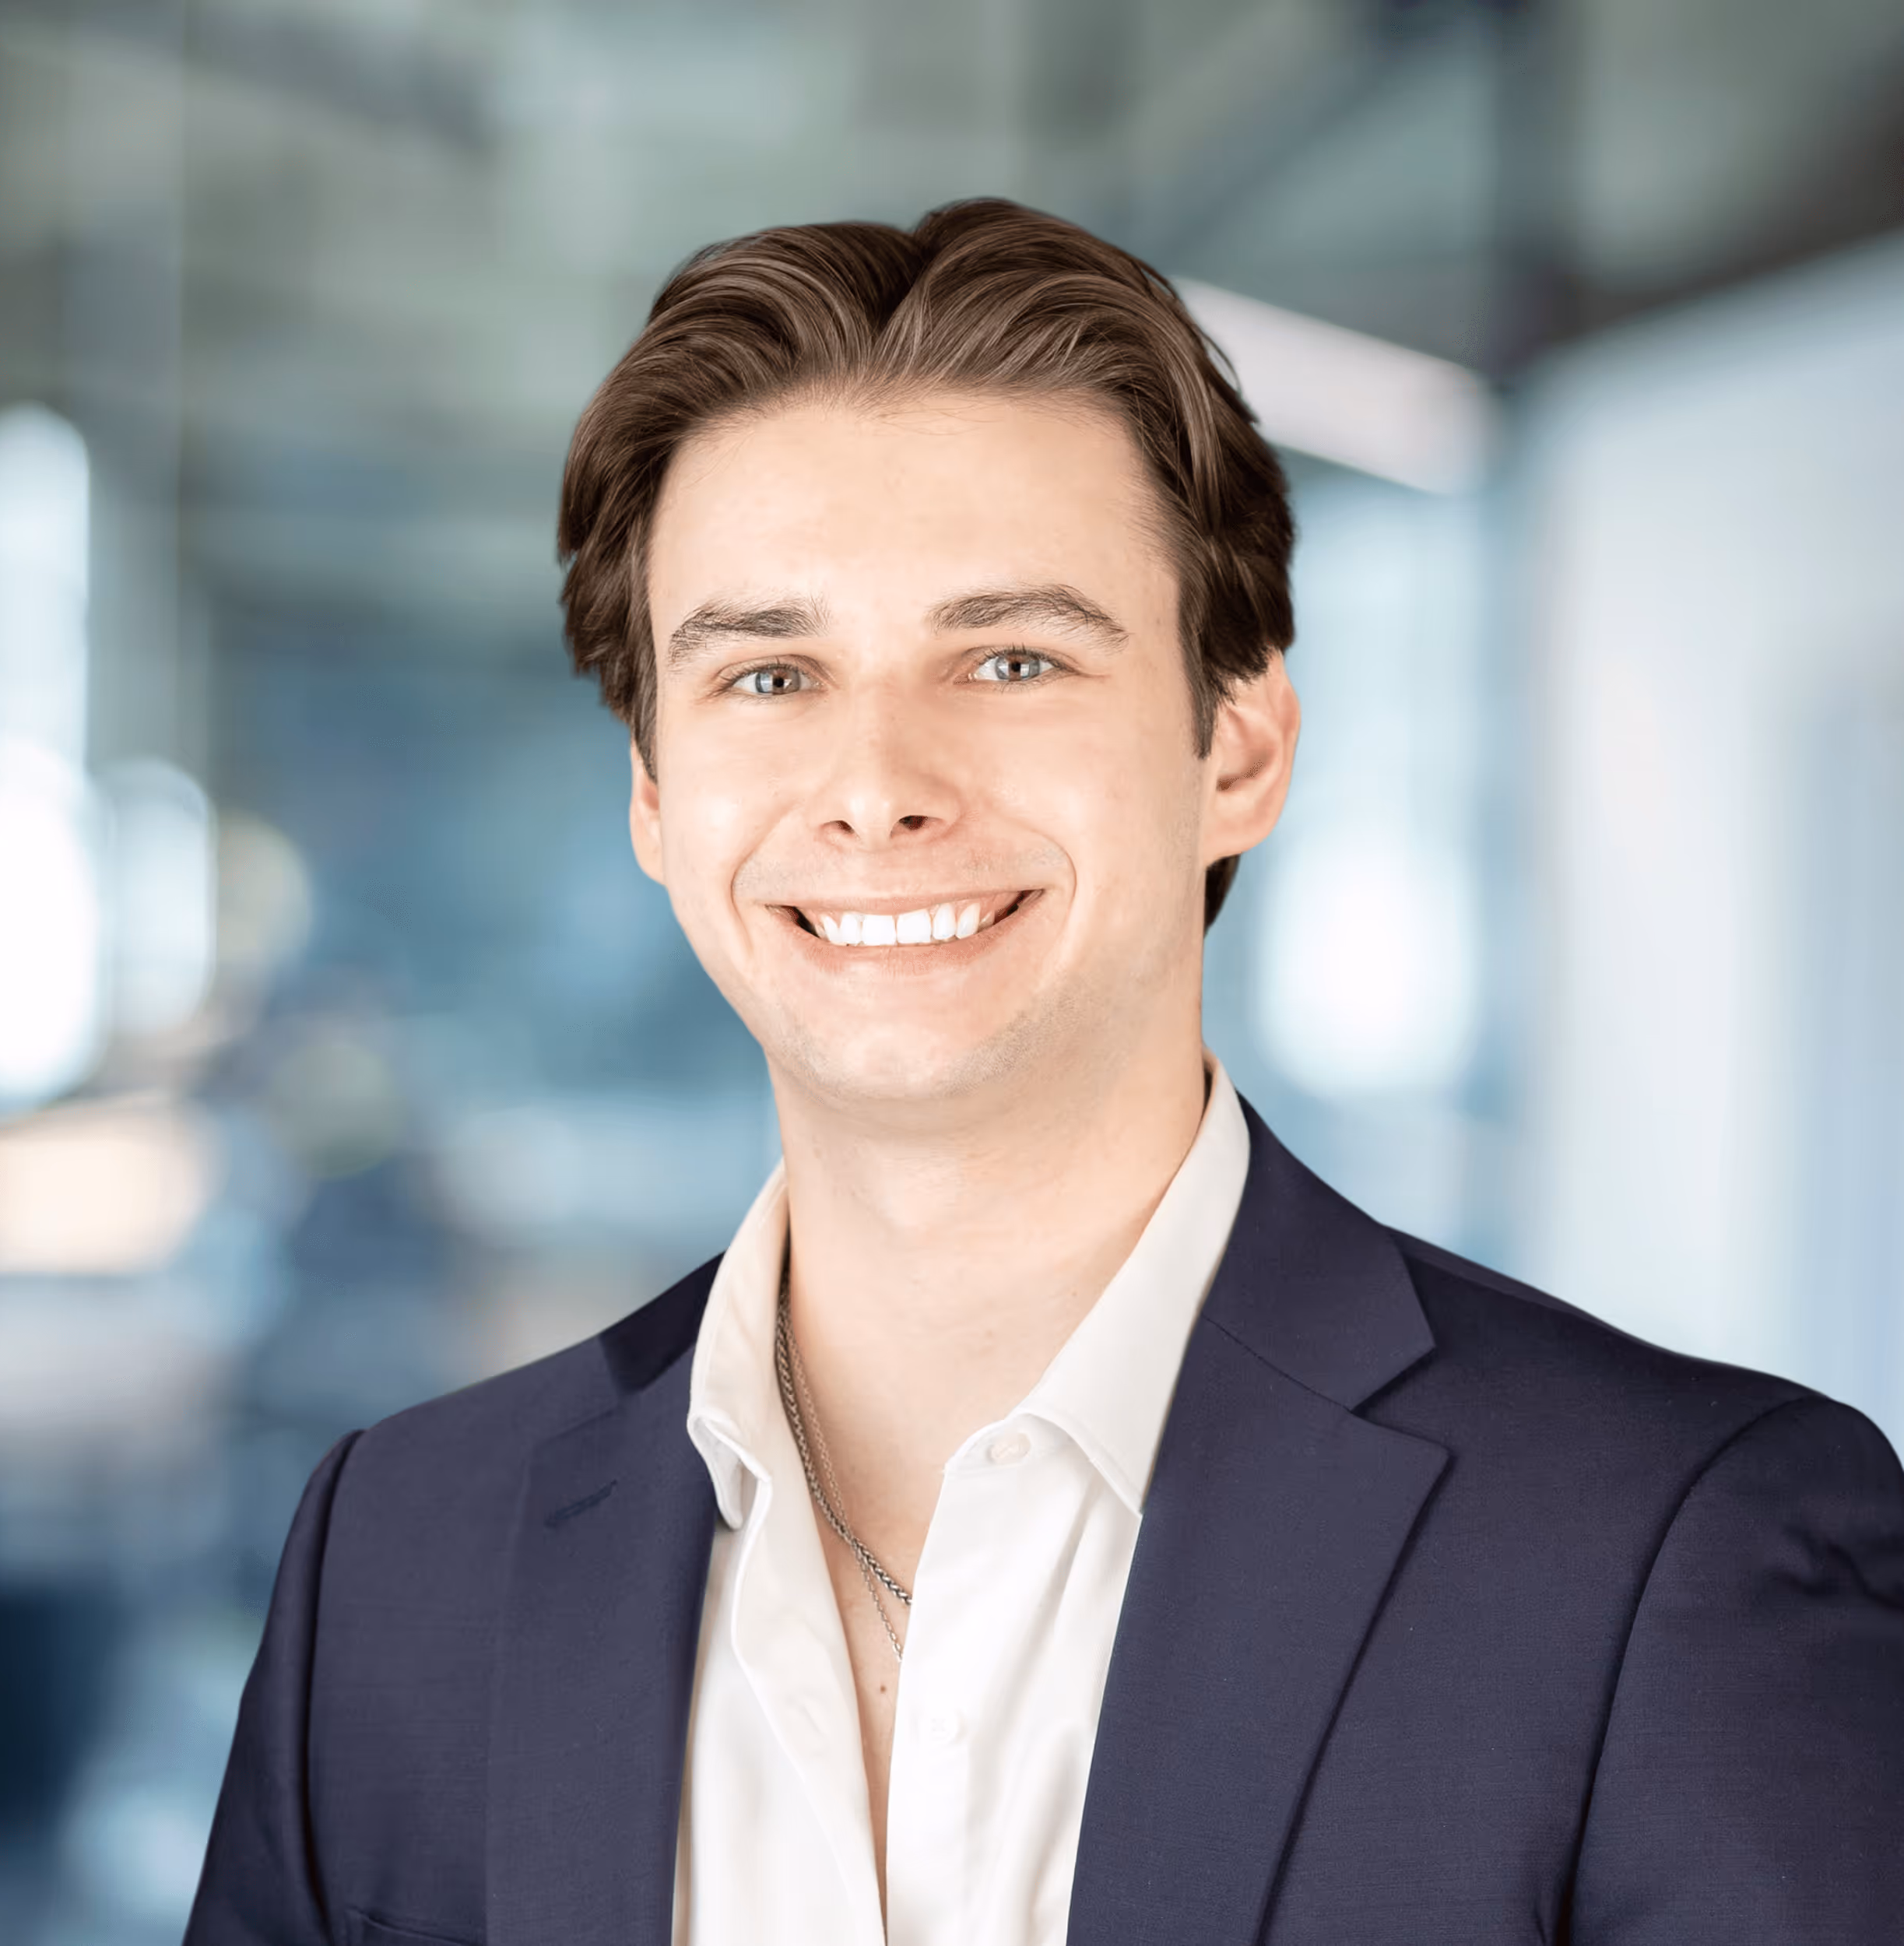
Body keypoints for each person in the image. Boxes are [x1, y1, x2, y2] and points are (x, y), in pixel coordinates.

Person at [187, 200, 1904, 1946]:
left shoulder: (1667, 1549)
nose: (877, 787)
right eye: (769, 674)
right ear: (652, 791)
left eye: (1010, 659)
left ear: (1235, 748)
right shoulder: (400, 1556)